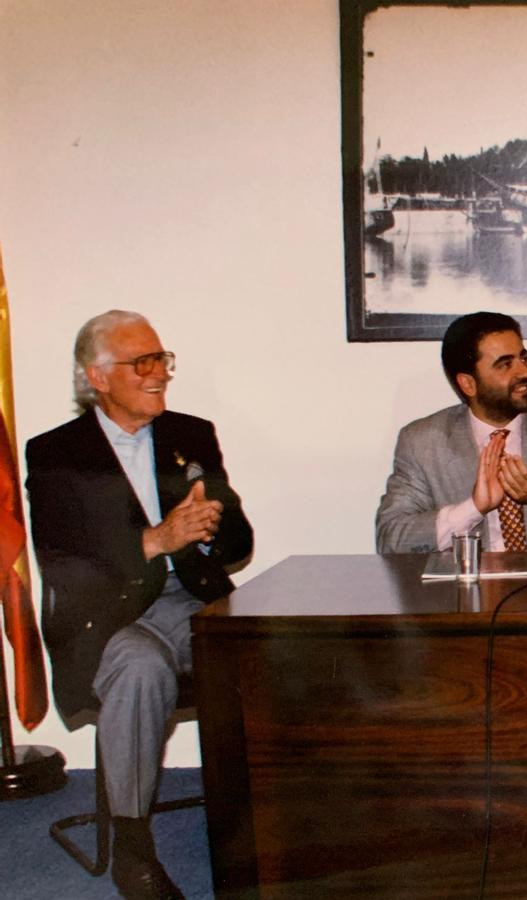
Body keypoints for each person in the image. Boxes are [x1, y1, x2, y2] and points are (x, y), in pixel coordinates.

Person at [26, 310, 253, 899]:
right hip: (111, 616)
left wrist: (209, 528)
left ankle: (272, 821)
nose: (159, 374)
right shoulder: (56, 453)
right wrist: (157, 540)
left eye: (162, 359)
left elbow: (239, 543)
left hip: (188, 604)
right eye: (142, 363)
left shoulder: (190, 434)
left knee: (277, 648)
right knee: (139, 669)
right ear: (97, 378)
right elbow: (64, 564)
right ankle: (133, 847)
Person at [376, 311, 527, 553]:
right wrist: (472, 509)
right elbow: (391, 539)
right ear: (468, 384)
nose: (525, 373)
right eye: (505, 364)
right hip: (463, 587)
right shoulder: (422, 442)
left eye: (524, 358)